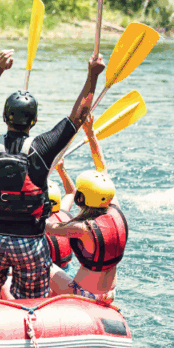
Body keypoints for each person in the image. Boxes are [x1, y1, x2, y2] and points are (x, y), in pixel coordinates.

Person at [0, 48, 105, 299]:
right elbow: (79, 116)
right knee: (33, 299)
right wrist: (92, 75)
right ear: (33, 121)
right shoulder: (43, 147)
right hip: (29, 241)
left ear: (3, 116)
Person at [47, 115, 126, 302]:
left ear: (81, 198)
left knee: (44, 264)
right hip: (110, 294)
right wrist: (90, 133)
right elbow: (102, 168)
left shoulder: (82, 229)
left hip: (85, 294)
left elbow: (47, 228)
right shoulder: (115, 209)